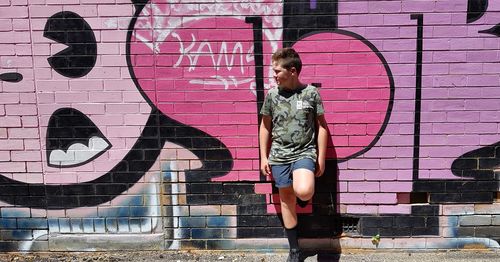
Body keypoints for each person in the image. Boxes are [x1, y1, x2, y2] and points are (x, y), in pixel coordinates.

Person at [259, 47, 328, 262]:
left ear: (293, 70)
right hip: (279, 155)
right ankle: (295, 250)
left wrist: (321, 157)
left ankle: (304, 197)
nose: (274, 75)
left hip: (304, 152)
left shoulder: (310, 94)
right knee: (286, 199)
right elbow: (265, 127)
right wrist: (263, 156)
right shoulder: (272, 95)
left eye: (277, 71)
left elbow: (322, 127)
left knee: (304, 191)